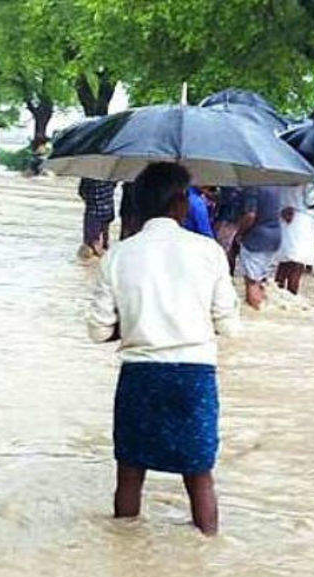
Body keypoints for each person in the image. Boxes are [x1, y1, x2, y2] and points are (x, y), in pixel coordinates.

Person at [88, 162, 239, 536]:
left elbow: (97, 330)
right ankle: (208, 552)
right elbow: (230, 326)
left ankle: (122, 556)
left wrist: (134, 322)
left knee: (129, 471)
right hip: (194, 376)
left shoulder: (119, 255)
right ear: (180, 203)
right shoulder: (209, 252)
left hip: (140, 374)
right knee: (199, 474)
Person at [236, 187, 282, 309]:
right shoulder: (275, 187)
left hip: (256, 238)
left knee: (252, 281)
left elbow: (250, 216)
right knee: (262, 281)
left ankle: (255, 311)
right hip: (275, 237)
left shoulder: (253, 188)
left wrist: (239, 232)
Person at [274, 184, 314, 295]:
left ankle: (277, 293)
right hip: (301, 221)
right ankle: (292, 296)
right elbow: (311, 200)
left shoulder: (280, 175)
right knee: (297, 264)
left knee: (283, 262)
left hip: (283, 219)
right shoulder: (308, 179)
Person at [77, 178, 117, 257]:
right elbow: (114, 185)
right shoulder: (111, 175)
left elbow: (82, 191)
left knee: (89, 245)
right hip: (108, 213)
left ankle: (89, 264)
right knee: (103, 244)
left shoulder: (89, 176)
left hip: (93, 215)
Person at [213, 187, 244, 275]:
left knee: (224, 250)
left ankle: (225, 274)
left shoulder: (229, 189)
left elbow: (222, 200)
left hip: (226, 219)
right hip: (234, 219)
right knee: (230, 251)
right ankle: (229, 274)